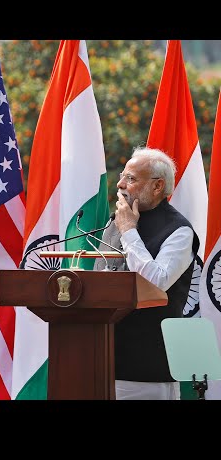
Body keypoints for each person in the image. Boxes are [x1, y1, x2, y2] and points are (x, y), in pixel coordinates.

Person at [93, 146, 199, 400]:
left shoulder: (179, 231)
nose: (119, 184)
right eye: (122, 176)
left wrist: (129, 231)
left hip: (146, 371)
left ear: (157, 186)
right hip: (100, 364)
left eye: (131, 179)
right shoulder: (116, 221)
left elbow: (156, 282)